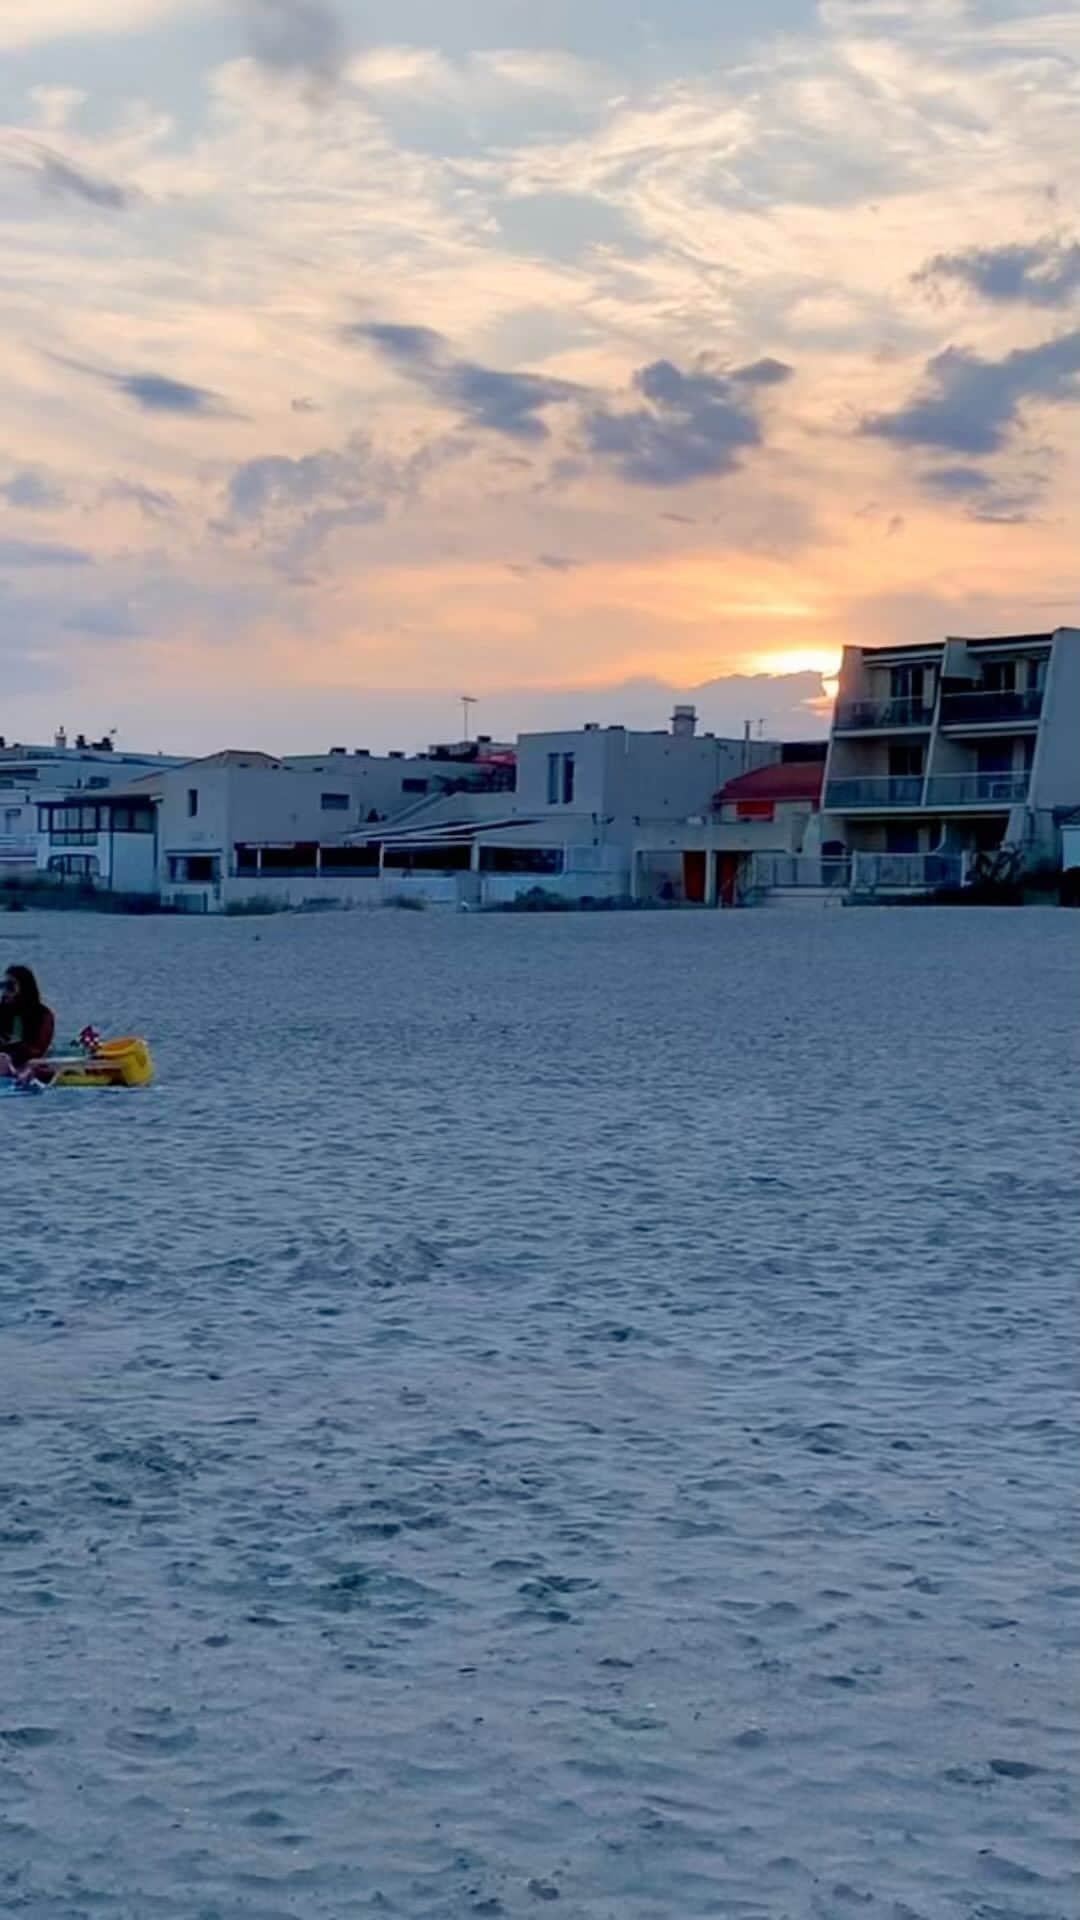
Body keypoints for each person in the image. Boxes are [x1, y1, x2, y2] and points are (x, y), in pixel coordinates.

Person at [0, 965, 56, 1083]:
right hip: (5, 1053)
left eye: (10, 987)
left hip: (27, 1058)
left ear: (24, 987)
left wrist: (17, 1044)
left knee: (4, 1060)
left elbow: (39, 1047)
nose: (5, 992)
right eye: (3, 987)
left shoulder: (42, 1014)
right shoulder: (2, 1010)